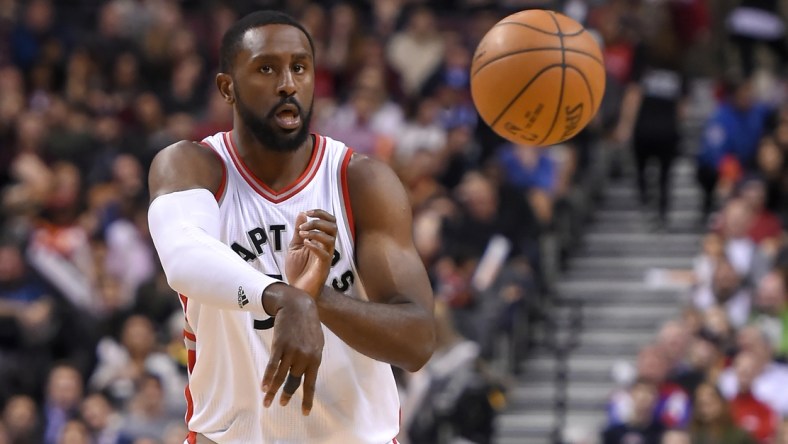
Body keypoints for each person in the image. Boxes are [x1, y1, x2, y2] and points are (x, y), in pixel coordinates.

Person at [146, 10, 435, 444]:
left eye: (300, 67)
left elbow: (417, 342)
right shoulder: (193, 166)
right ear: (228, 87)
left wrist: (316, 299)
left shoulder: (361, 181)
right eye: (266, 68)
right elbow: (184, 257)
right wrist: (283, 298)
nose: (287, 83)